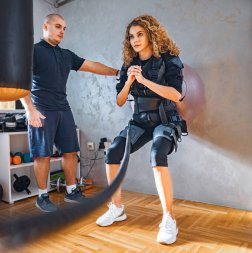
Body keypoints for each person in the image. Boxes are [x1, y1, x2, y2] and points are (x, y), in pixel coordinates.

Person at [95, 15, 187, 245]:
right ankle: (116, 208)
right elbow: (119, 101)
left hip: (166, 119)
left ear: (151, 34)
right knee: (113, 152)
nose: (135, 40)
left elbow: (177, 95)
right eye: (131, 36)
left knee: (157, 155)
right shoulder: (129, 64)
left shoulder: (169, 60)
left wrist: (144, 81)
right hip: (140, 121)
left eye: (139, 34)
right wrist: (128, 82)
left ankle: (168, 218)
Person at [21, 13, 119, 213]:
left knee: (71, 152)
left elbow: (92, 66)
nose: (62, 32)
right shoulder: (33, 51)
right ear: (45, 26)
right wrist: (30, 110)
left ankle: (72, 191)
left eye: (64, 28)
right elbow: (20, 82)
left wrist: (118, 72)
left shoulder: (66, 55)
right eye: (58, 27)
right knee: (43, 155)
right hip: (41, 108)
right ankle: (42, 196)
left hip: (63, 108)